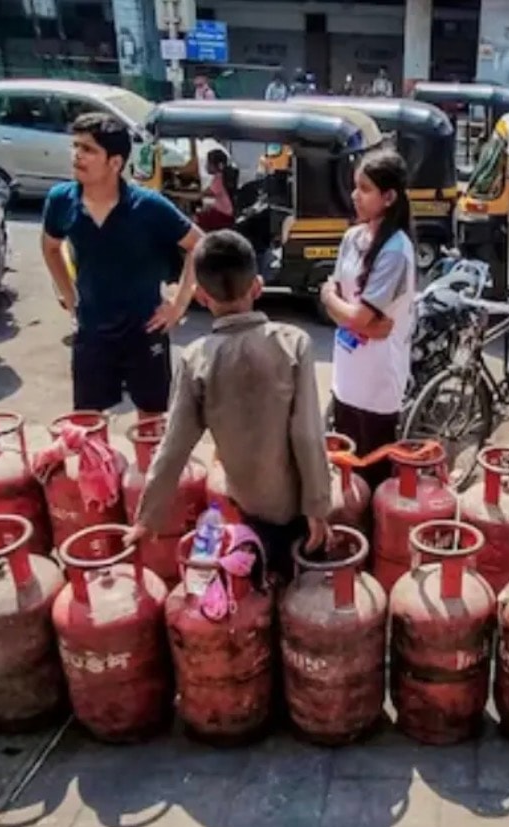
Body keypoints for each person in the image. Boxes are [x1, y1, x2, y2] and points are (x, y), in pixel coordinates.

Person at [127, 229, 331, 583]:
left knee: (256, 593)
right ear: (257, 287)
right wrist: (317, 508)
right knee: (301, 593)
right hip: (298, 506)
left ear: (202, 297)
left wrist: (147, 519)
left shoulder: (196, 358)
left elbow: (174, 446)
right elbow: (308, 434)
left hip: (248, 508)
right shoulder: (294, 344)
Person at [41, 113, 201, 422]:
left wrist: (179, 305)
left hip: (144, 330)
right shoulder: (61, 200)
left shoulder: (148, 206)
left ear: (115, 162)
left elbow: (200, 245)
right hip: (92, 330)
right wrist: (71, 299)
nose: (77, 155)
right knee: (87, 422)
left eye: (88, 149)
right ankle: (97, 472)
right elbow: (50, 247)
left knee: (152, 421)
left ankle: (147, 471)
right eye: (75, 146)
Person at [320, 151, 416, 489]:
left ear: (388, 198)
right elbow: (350, 310)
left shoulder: (395, 251)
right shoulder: (352, 239)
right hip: (347, 375)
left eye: (364, 189)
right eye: (355, 187)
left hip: (377, 384)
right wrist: (343, 309)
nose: (355, 196)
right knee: (345, 468)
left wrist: (337, 305)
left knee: (372, 474)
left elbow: (355, 313)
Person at [194, 148, 235, 231]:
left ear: (217, 165)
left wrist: (174, 193)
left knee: (194, 220)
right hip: (227, 215)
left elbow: (198, 196)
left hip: (222, 217)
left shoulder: (218, 178)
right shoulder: (224, 176)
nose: (207, 166)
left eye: (209, 163)